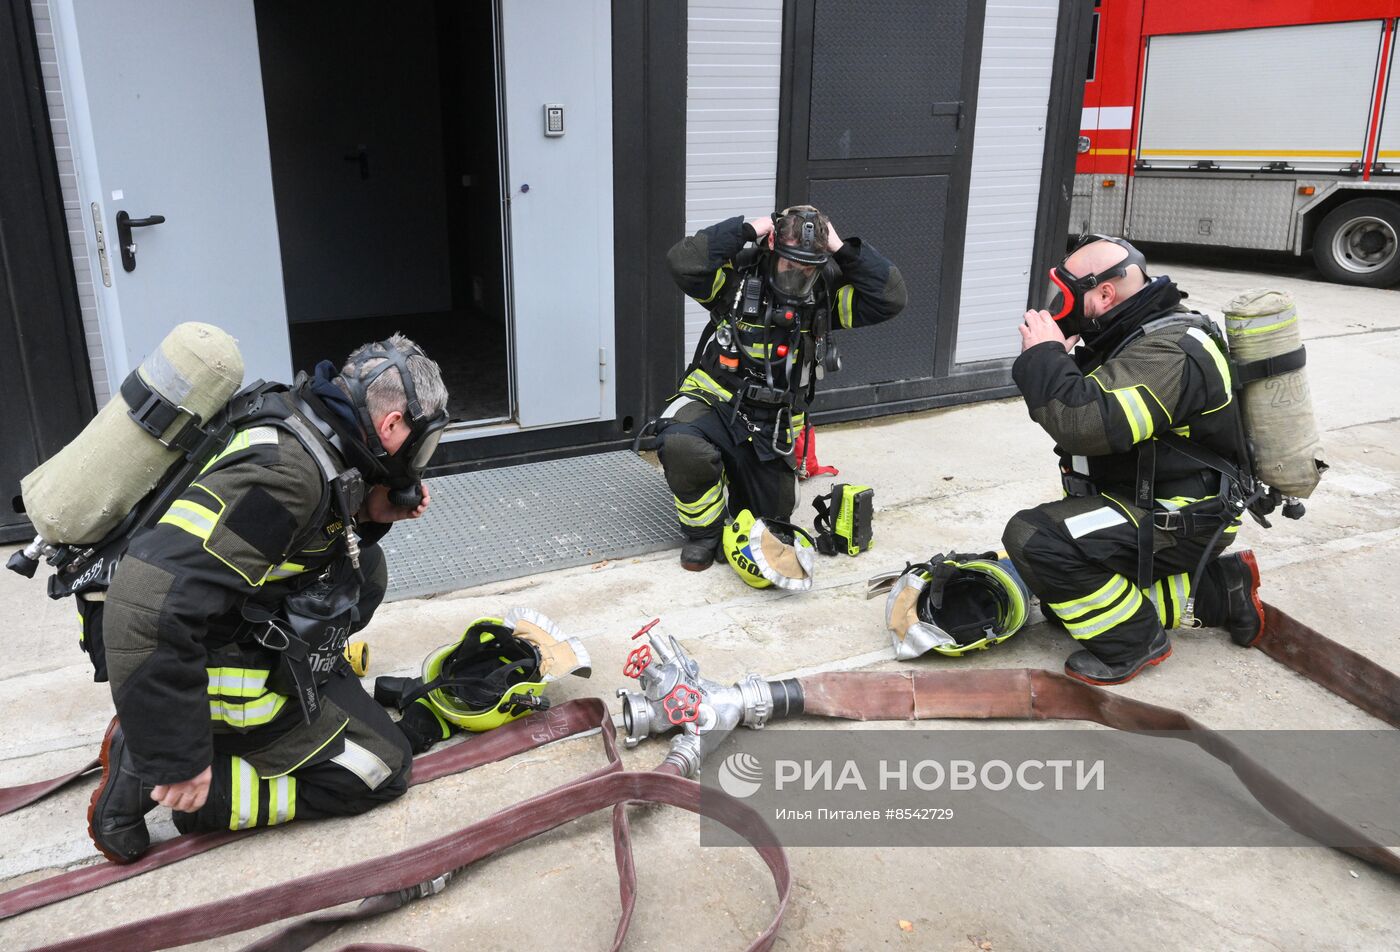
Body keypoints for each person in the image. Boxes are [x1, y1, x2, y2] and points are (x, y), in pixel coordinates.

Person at [88, 334, 449, 862]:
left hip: (230, 615)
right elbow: (143, 606)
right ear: (392, 426)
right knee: (379, 767)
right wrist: (175, 755)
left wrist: (370, 514)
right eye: (424, 443)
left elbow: (285, 538)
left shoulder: (307, 420)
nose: (420, 461)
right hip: (187, 644)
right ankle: (178, 783)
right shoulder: (287, 478)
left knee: (364, 572)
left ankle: (276, 701)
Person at [1002, 236, 1266, 686]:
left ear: (1104, 294)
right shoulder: (1134, 332)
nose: (1057, 306)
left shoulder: (1169, 350)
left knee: (1036, 541)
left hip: (1180, 516)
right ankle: (1220, 592)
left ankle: (1134, 643)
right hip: (1149, 501)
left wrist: (1044, 355)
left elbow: (1083, 422)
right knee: (1063, 600)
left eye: (1067, 295)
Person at [659, 206, 907, 571]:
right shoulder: (737, 281)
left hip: (773, 422)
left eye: (809, 268)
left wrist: (841, 248)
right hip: (716, 399)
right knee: (682, 445)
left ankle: (736, 477)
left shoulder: (823, 299)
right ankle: (704, 534)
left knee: (772, 526)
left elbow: (890, 298)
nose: (798, 276)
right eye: (791, 264)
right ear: (774, 249)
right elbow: (683, 261)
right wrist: (747, 229)